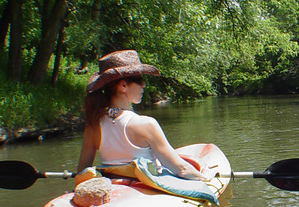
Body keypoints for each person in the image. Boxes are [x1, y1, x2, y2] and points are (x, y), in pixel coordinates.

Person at [77, 49, 209, 182]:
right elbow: (182, 169)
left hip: (114, 187)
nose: (144, 85)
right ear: (123, 85)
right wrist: (207, 179)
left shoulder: (92, 126)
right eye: (140, 80)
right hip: (143, 190)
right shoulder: (146, 124)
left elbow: (82, 172)